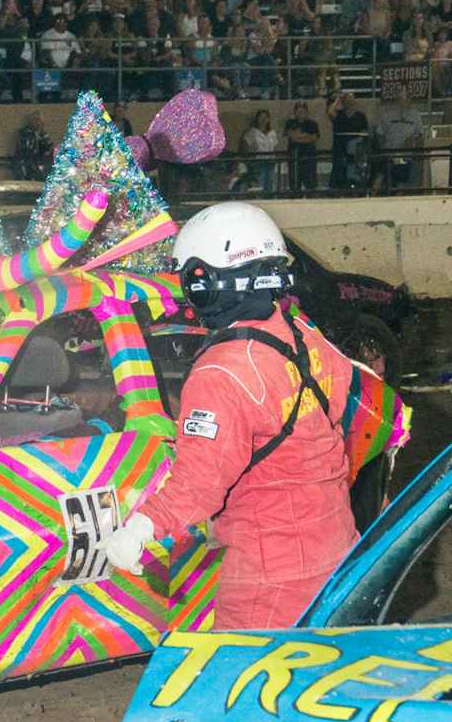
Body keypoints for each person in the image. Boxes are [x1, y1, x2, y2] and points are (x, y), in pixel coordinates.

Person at [101, 203, 360, 630]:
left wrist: (140, 528)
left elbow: (198, 486)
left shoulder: (220, 373)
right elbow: (341, 389)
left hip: (270, 578)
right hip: (339, 552)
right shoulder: (304, 334)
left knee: (241, 690)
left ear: (209, 285)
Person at [283, 101, 319, 192]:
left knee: (310, 183)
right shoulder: (290, 123)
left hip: (309, 156)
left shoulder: (313, 124)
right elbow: (292, 136)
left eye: (303, 111)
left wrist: (299, 137)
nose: (300, 113)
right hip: (294, 155)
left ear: (307, 112)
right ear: (295, 112)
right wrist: (305, 136)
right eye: (298, 111)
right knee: (295, 183)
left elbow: (313, 138)